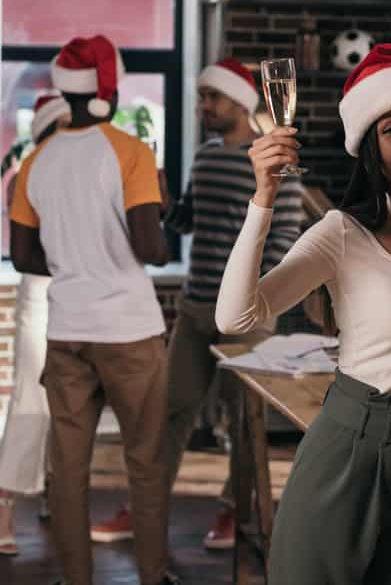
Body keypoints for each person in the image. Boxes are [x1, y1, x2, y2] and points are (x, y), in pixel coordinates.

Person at [216, 44, 391, 585]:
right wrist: (263, 197)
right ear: (370, 145)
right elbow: (236, 317)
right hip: (350, 451)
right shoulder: (343, 234)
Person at [89, 59, 303, 549]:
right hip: (195, 306)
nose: (203, 106)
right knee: (168, 411)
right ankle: (144, 505)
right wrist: (167, 208)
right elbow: (190, 222)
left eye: (213, 97)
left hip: (248, 314)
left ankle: (234, 511)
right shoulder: (205, 157)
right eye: (203, 96)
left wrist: (254, 296)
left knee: (243, 423)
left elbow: (285, 237)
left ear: (242, 102)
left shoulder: (275, 160)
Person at [9, 34, 178, 585]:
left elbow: (25, 258)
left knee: (68, 472)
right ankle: (152, 577)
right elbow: (152, 249)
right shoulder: (131, 152)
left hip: (67, 333)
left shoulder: (35, 161)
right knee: (146, 466)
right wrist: (160, 201)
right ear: (109, 87)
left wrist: (75, 258)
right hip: (130, 333)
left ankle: (75, 578)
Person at [0, 94, 70, 556]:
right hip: (40, 294)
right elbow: (26, 253)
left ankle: (57, 492)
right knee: (32, 401)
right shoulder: (28, 175)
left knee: (71, 401)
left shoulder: (86, 171)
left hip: (78, 296)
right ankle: (0, 508)